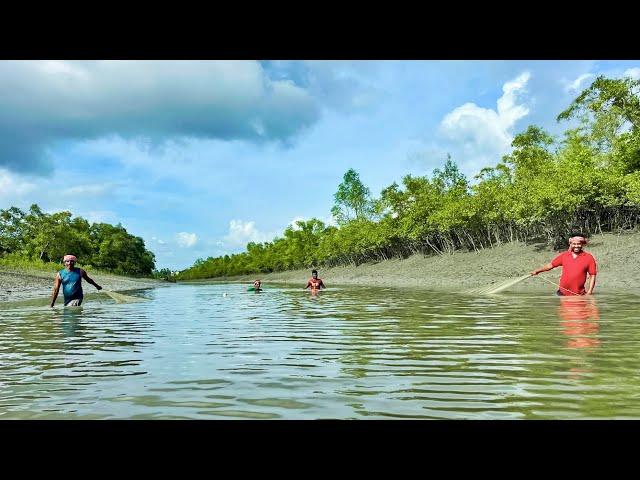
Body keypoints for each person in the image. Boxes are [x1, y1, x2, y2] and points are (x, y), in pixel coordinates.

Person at [530, 235, 597, 296]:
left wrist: (589, 292)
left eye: (579, 244)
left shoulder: (589, 257)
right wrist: (537, 271)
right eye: (574, 244)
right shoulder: (564, 255)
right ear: (570, 244)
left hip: (579, 294)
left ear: (582, 244)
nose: (576, 246)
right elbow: (550, 265)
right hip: (562, 294)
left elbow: (592, 275)